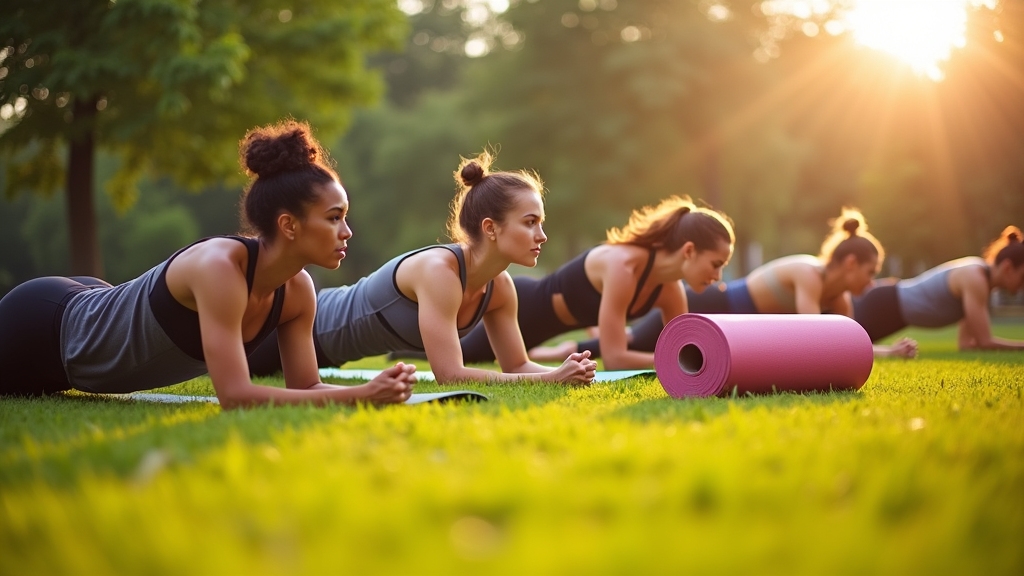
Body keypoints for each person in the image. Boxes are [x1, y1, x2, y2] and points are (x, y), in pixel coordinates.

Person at [0, 120, 416, 409]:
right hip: (44, 329)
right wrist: (358, 396)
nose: (347, 231)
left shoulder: (297, 291)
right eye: (333, 217)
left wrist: (379, 387)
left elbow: (306, 386)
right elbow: (236, 397)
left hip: (91, 317)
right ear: (288, 225)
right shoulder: (219, 267)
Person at [247, 151, 597, 384]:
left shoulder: (499, 288)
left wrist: (566, 370)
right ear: (491, 228)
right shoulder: (440, 271)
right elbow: (450, 375)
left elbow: (517, 366)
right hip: (281, 333)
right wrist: (549, 379)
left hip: (325, 357)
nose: (542, 235)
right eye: (531, 222)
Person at [533, 207, 918, 361]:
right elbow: (813, 333)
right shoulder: (808, 273)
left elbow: (842, 342)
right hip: (716, 307)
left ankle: (559, 352)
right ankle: (559, 353)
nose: (872, 282)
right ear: (850, 263)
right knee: (632, 340)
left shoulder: (841, 300)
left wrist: (883, 353)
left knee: (631, 339)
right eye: (869, 272)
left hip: (723, 314)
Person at [420, 196, 736, 371]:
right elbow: (615, 358)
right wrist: (669, 362)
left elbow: (681, 349)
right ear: (689, 251)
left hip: (544, 328)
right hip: (522, 308)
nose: (718, 277)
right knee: (455, 353)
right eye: (716, 264)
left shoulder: (670, 291)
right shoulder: (623, 266)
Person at [853, 225, 1024, 350]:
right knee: (842, 343)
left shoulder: (980, 282)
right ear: (1008, 268)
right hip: (885, 305)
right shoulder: (976, 279)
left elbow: (966, 345)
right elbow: (985, 341)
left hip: (893, 311)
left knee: (852, 346)